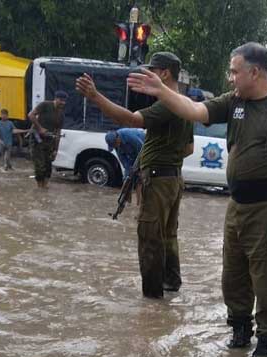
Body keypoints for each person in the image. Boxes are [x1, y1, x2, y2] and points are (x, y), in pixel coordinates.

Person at [127, 42, 267, 356]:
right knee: (233, 275)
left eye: (234, 71)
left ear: (254, 72)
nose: (230, 78)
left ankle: (266, 345)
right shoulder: (235, 102)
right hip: (237, 205)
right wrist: (161, 90)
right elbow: (195, 110)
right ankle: (240, 330)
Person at [76, 52, 194, 299]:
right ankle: (171, 283)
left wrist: (95, 97)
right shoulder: (183, 103)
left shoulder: (166, 104)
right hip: (173, 178)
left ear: (164, 74)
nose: (146, 75)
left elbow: (130, 119)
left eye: (151, 71)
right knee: (168, 233)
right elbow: (188, 148)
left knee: (150, 237)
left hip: (158, 178)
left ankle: (152, 302)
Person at [28, 90, 67, 188]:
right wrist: (40, 128)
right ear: (56, 98)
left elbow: (58, 132)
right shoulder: (45, 105)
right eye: (61, 100)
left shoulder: (61, 115)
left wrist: (56, 150)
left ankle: (44, 189)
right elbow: (31, 115)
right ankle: (39, 188)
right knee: (40, 167)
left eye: (64, 101)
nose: (63, 103)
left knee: (48, 168)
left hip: (50, 142)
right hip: (38, 140)